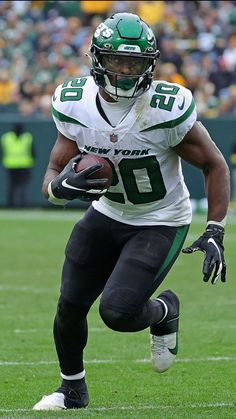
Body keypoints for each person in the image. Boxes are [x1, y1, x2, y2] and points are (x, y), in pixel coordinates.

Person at [33, 12, 230, 411]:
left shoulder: (166, 107)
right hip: (108, 211)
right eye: (116, 61)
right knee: (70, 304)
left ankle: (164, 310)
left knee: (118, 313)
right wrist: (58, 189)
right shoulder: (74, 103)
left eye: (135, 63)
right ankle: (72, 390)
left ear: (149, 65)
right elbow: (53, 172)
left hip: (159, 219)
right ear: (97, 60)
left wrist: (214, 229)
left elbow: (215, 164)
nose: (124, 71)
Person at [0, 123, 35, 207]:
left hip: (13, 165)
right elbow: (33, 152)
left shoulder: (6, 137)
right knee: (20, 185)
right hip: (22, 165)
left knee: (14, 185)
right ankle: (18, 203)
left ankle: (13, 203)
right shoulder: (27, 137)